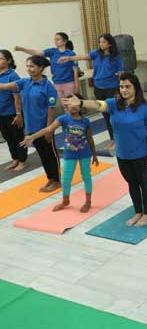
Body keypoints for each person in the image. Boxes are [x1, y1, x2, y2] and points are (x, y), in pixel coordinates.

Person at [63, 73, 147, 226]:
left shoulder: (144, 107)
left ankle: (146, 214)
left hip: (140, 154)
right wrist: (81, 103)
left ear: (135, 87)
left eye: (128, 87)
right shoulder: (113, 104)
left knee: (143, 183)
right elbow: (98, 104)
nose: (124, 90)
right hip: (122, 155)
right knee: (131, 184)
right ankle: (138, 212)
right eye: (122, 87)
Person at [21, 94, 98, 212]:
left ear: (81, 105)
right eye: (70, 103)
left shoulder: (85, 121)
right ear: (66, 105)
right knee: (66, 179)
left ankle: (88, 201)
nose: (73, 106)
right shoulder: (63, 119)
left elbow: (90, 139)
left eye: (75, 103)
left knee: (86, 177)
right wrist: (33, 136)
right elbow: (48, 129)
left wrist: (94, 155)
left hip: (84, 155)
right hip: (69, 155)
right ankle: (65, 200)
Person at [0, 55, 60, 191]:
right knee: (42, 155)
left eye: (32, 66)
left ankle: (56, 180)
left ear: (41, 68)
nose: (29, 69)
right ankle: (50, 179)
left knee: (50, 154)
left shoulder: (48, 87)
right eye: (27, 66)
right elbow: (5, 86)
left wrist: (49, 129)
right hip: (32, 127)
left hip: (44, 127)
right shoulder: (25, 82)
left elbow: (51, 110)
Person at [58, 33, 123, 151]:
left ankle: (117, 139)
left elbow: (121, 74)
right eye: (100, 42)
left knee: (113, 114)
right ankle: (113, 138)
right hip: (99, 88)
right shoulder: (96, 53)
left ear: (109, 43)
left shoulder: (116, 57)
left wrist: (121, 89)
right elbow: (83, 56)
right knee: (105, 115)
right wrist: (68, 58)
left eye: (103, 42)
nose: (101, 44)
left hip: (111, 88)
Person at [15, 32, 79, 106]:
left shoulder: (71, 54)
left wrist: (76, 86)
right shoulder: (52, 51)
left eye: (58, 39)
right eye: (55, 39)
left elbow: (75, 71)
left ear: (64, 41)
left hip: (68, 83)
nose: (55, 41)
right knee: (64, 106)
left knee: (72, 105)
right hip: (57, 83)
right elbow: (37, 53)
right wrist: (22, 49)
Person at [0, 50, 27, 172]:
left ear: (9, 61)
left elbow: (17, 97)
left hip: (12, 113)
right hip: (1, 113)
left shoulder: (13, 76)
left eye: (1, 58)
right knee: (8, 137)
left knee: (18, 137)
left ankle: (22, 161)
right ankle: (15, 159)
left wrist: (18, 114)